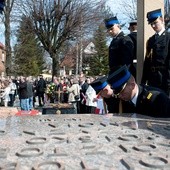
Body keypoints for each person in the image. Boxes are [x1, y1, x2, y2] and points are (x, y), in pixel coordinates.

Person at [141, 9, 170, 96]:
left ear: (161, 20)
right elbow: (147, 62)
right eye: (151, 24)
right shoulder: (151, 40)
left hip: (165, 79)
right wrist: (143, 82)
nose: (153, 26)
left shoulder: (168, 38)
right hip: (152, 79)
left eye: (155, 23)